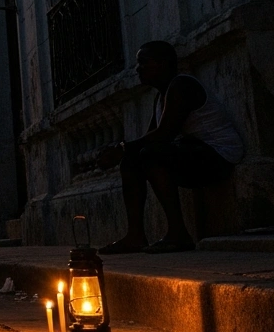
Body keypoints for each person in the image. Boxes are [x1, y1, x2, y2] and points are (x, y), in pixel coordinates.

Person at [94, 41, 244, 254]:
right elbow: (149, 138)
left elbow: (163, 135)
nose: (138, 69)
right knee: (133, 159)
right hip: (198, 154)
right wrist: (123, 152)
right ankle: (135, 235)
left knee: (150, 155)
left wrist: (121, 148)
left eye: (144, 62)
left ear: (163, 63)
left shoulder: (182, 86)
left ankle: (178, 233)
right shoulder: (162, 96)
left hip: (220, 157)